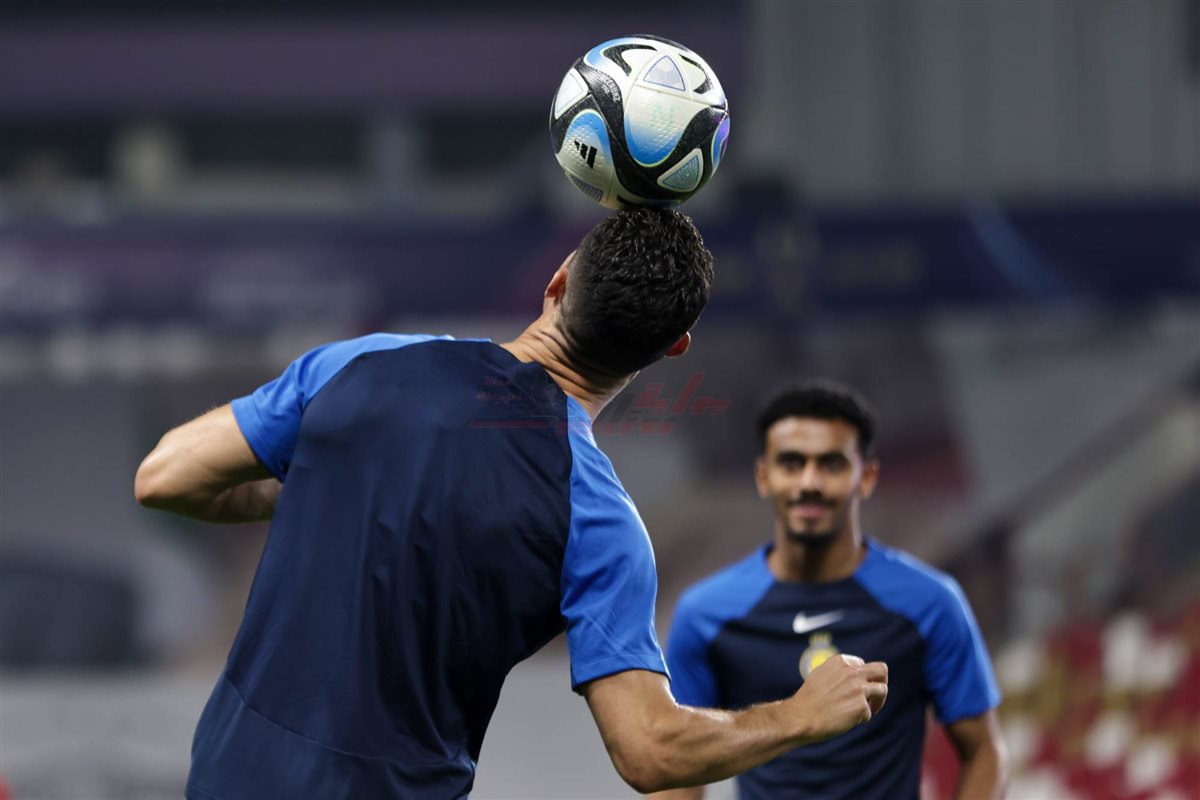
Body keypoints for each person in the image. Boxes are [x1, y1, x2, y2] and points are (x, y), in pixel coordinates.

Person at [134, 209, 889, 800]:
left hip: (231, 778)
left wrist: (333, 488)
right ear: (673, 349)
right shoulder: (598, 521)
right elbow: (649, 750)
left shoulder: (364, 364)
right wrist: (797, 716)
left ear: (557, 283)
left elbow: (165, 477)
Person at [653, 382, 1008, 800]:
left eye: (831, 464)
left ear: (867, 477)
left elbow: (985, 752)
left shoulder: (930, 603)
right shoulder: (706, 615)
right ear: (763, 476)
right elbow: (677, 770)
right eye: (791, 463)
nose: (809, 482)